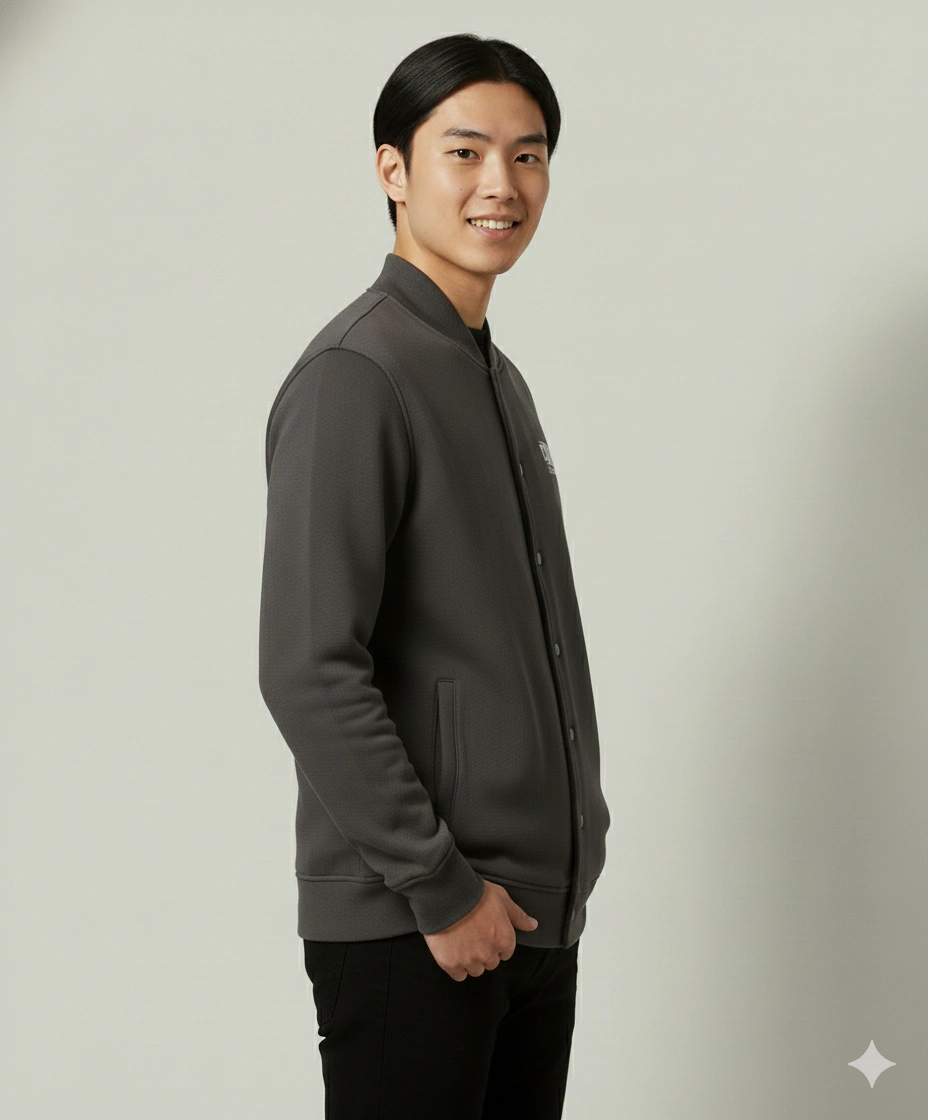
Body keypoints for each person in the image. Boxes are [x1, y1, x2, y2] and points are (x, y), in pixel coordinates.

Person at [258, 32, 611, 1120]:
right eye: (465, 152)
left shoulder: (498, 381)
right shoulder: (356, 375)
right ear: (394, 170)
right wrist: (439, 885)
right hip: (419, 923)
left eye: (528, 154)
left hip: (528, 919)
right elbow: (309, 667)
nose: (501, 183)